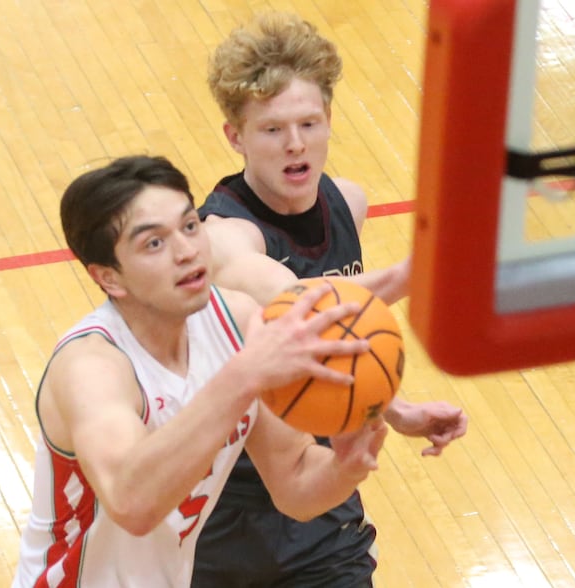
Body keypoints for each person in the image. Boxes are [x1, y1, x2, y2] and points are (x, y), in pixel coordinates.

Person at [11, 155, 389, 587]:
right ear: (109, 278)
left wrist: (348, 464)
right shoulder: (91, 368)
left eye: (190, 227)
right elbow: (133, 503)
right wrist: (244, 375)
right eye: (154, 243)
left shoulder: (235, 319)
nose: (187, 251)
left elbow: (295, 482)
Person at [191, 12, 469, 587]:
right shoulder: (224, 234)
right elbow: (296, 300)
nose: (296, 144)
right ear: (235, 136)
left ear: (329, 121)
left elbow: (341, 334)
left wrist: (396, 409)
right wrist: (417, 269)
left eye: (309, 123)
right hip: (224, 506)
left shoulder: (349, 203)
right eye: (272, 129)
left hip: (318, 485)